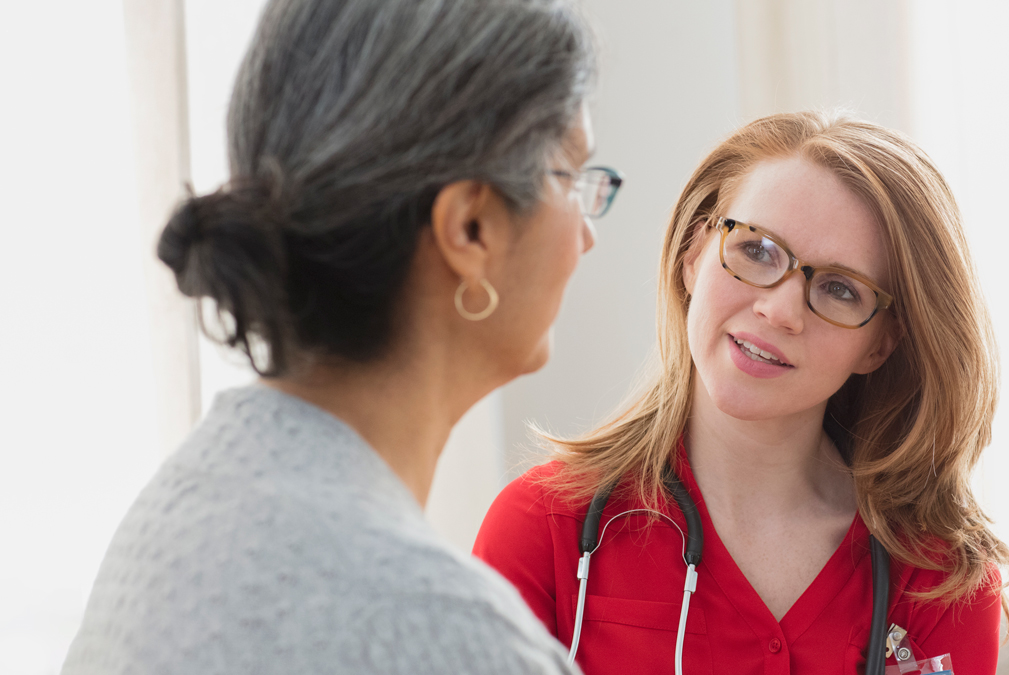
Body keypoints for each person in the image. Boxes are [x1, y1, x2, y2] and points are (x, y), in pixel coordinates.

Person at [62, 0, 620, 673]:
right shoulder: (453, 637)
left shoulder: (180, 507)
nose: (587, 234)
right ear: (470, 229)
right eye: (573, 176)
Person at [473, 111, 1009, 675]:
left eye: (839, 289)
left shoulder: (938, 580)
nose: (778, 310)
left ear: (879, 345)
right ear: (694, 254)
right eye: (757, 251)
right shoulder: (543, 528)